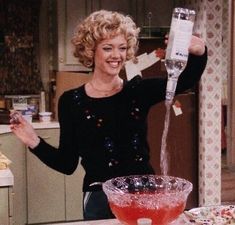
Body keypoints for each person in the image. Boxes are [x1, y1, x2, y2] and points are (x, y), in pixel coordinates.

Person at [10, 10, 207, 220]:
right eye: (107, 48)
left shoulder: (137, 91)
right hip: (99, 198)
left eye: (122, 48)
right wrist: (33, 141)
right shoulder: (71, 101)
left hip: (144, 194)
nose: (116, 55)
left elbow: (184, 81)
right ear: (90, 51)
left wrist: (200, 51)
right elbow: (67, 164)